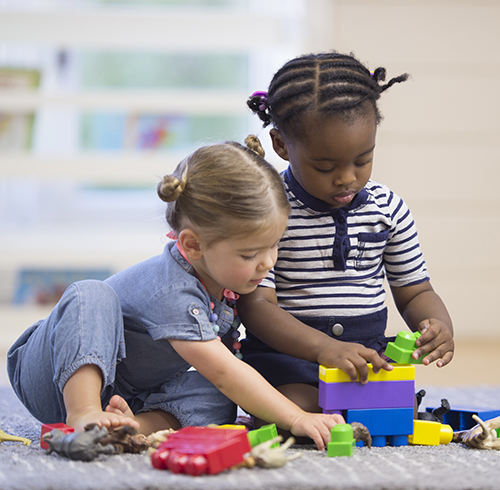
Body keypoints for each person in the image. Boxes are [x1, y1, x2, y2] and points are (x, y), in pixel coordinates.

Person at [7, 136, 344, 450]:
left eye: (274, 246)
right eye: (249, 254)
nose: (267, 263)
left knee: (218, 397)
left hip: (129, 391)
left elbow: (224, 376)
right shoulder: (174, 290)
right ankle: (84, 413)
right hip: (51, 375)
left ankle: (129, 427)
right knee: (91, 294)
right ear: (193, 245)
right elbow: (227, 371)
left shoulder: (223, 282)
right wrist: (296, 417)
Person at [238, 52, 454, 418]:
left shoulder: (388, 210)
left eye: (362, 160)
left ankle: (353, 407)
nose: (347, 178)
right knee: (292, 405)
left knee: (395, 407)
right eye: (325, 166)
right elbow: (256, 305)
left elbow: (415, 290)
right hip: (290, 358)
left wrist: (437, 326)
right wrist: (322, 349)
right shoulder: (270, 210)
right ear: (281, 145)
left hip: (365, 358)